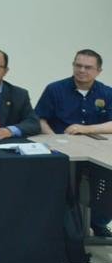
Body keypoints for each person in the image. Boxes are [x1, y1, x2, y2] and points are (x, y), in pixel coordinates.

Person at [36, 49, 112, 237]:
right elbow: (40, 119)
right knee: (67, 185)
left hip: (97, 151)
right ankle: (69, 229)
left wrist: (87, 129)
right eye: (78, 65)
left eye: (88, 67)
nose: (82, 70)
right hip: (63, 152)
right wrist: (53, 139)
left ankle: (99, 222)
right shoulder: (55, 89)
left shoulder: (107, 92)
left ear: (98, 71)